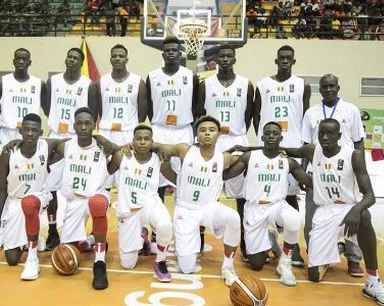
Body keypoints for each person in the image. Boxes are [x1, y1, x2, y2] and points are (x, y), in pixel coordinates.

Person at [283, 118, 384, 306]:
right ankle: (332, 250)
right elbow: (283, 150)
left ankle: (373, 281)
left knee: (364, 216)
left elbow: (370, 196)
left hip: (347, 208)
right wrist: (247, 149)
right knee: (313, 276)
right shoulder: (312, 151)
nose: (325, 137)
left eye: (330, 133)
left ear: (339, 135)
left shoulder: (353, 155)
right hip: (323, 211)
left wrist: (356, 208)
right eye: (321, 133)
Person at [152, 115, 241, 286]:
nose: (207, 133)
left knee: (234, 217)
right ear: (197, 135)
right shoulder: (184, 150)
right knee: (186, 267)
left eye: (212, 130)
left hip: (209, 207)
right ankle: (184, 245)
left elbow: (247, 158)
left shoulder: (225, 158)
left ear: (218, 134)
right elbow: (159, 147)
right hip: (186, 209)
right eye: (202, 130)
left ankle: (228, 267)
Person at [223, 122, 312, 286]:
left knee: (293, 218)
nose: (271, 136)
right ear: (262, 137)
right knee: (256, 265)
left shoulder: (288, 161)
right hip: (254, 209)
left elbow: (308, 181)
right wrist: (223, 156)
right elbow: (226, 175)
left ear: (281, 137)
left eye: (275, 133)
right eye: (268, 133)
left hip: (277, 206)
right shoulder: (250, 157)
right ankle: (270, 239)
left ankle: (285, 264)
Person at [302, 73, 365, 277]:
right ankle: (318, 257)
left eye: (332, 86)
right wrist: (303, 172)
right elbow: (306, 145)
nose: (328, 89)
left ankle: (354, 259)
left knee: (353, 216)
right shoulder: (311, 113)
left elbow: (358, 142)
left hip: (345, 174)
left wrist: (360, 168)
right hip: (318, 174)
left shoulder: (351, 110)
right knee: (312, 219)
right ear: (319, 90)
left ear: (338, 88)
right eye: (324, 86)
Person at [253, 45, 311, 266]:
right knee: (264, 193)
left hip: (292, 144)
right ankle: (264, 240)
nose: (285, 61)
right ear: (276, 61)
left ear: (293, 62)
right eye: (281, 58)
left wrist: (302, 151)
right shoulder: (263, 84)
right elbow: (257, 116)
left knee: (290, 196)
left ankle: (292, 247)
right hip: (267, 144)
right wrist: (265, 138)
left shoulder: (301, 85)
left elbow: (305, 117)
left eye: (289, 58)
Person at [197, 44, 254, 260]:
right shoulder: (206, 84)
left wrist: (237, 133)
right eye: (222, 56)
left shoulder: (246, 84)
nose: (226, 59)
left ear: (235, 58)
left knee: (241, 196)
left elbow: (248, 115)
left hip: (237, 140)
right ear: (216, 60)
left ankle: (245, 241)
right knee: (204, 192)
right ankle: (199, 241)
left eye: (230, 55)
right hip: (213, 142)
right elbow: (200, 113)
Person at [50, 107, 114, 290]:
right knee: (68, 249)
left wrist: (103, 139)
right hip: (75, 202)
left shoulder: (102, 146)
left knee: (97, 203)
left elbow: (119, 152)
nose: (84, 127)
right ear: (74, 126)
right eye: (80, 123)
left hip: (96, 197)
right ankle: (91, 240)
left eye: (88, 123)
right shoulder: (66, 146)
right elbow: (46, 143)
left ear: (94, 125)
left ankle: (100, 262)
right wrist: (14, 141)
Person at [107, 124, 173, 282]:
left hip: (149, 205)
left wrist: (164, 156)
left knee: (165, 225)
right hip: (128, 210)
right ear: (132, 141)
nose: (142, 142)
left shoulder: (159, 159)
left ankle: (160, 261)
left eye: (146, 139)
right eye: (139, 139)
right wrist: (117, 149)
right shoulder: (122, 156)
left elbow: (174, 175)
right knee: (127, 264)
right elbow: (106, 171)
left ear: (152, 142)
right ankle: (143, 240)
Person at [42, 47, 91, 251]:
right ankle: (53, 232)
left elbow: (91, 112)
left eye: (75, 58)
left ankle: (77, 233)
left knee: (79, 190)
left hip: (75, 140)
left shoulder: (88, 85)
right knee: (51, 188)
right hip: (55, 137)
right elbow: (46, 107)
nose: (71, 60)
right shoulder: (53, 82)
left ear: (81, 63)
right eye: (69, 56)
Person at [0, 114, 52, 280]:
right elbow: (2, 188)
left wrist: (100, 138)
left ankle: (32, 256)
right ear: (20, 131)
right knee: (12, 259)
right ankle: (30, 237)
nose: (30, 133)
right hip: (15, 202)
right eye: (27, 129)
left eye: (34, 130)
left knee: (30, 203)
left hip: (38, 200)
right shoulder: (8, 153)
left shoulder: (46, 146)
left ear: (40, 132)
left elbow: (75, 142)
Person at [146, 36, 199, 200]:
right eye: (167, 50)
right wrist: (157, 121)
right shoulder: (152, 76)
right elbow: (149, 105)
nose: (171, 53)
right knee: (157, 176)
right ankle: (157, 222)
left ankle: (182, 215)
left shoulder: (190, 76)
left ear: (179, 53)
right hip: (160, 129)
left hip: (183, 130)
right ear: (163, 54)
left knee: (185, 174)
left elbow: (196, 105)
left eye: (174, 50)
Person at [89, 44, 147, 147]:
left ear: (126, 59)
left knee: (127, 162)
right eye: (114, 56)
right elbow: (96, 111)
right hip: (106, 133)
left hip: (129, 133)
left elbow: (142, 115)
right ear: (110, 59)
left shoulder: (138, 82)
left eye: (121, 56)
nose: (117, 58)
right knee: (106, 163)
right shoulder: (100, 82)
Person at [0, 48, 46, 151]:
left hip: (29, 134)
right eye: (18, 58)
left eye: (24, 59)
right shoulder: (3, 81)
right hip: (6, 132)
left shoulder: (39, 84)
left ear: (29, 62)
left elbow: (47, 110)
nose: (21, 61)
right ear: (13, 61)